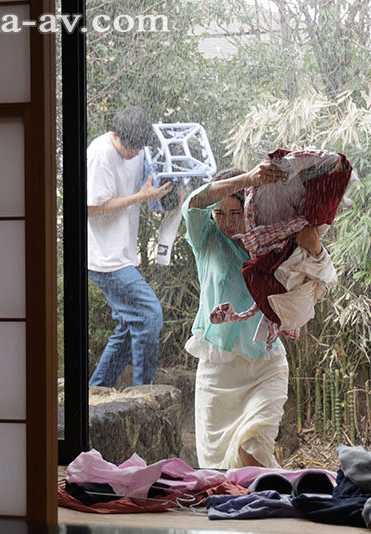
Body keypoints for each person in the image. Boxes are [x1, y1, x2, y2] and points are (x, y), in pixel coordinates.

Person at [181, 164, 324, 468]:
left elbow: (316, 277)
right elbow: (194, 202)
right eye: (219, 214)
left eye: (235, 214)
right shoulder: (205, 238)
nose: (227, 223)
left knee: (253, 452)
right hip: (216, 373)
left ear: (249, 210)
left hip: (265, 366)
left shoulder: (271, 242)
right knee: (218, 475)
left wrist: (315, 247)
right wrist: (248, 179)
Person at [87, 106, 172, 387]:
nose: (133, 154)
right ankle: (143, 393)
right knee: (149, 315)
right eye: (128, 149)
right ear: (115, 135)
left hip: (123, 253)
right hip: (104, 259)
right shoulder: (101, 154)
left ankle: (96, 391)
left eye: (137, 149)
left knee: (128, 327)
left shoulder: (137, 147)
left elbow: (147, 179)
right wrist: (139, 196)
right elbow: (91, 208)